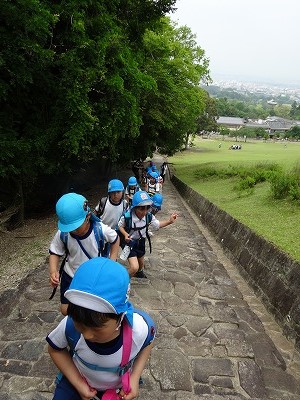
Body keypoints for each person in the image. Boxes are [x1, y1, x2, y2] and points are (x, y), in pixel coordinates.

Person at [46, 257, 156, 400]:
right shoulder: (69, 324)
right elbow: (54, 348)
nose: (87, 335)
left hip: (115, 390)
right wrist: (79, 384)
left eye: (97, 329)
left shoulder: (138, 329)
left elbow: (149, 341)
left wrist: (134, 377)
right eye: (80, 325)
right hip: (77, 380)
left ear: (121, 317)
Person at [49, 193, 120, 315]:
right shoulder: (63, 233)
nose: (72, 230)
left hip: (93, 277)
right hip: (71, 275)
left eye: (76, 227)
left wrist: (112, 261)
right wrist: (53, 271)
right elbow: (55, 251)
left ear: (87, 217)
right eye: (69, 227)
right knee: (65, 311)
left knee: (91, 310)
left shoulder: (100, 230)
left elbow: (115, 239)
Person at [118, 191, 178, 278]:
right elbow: (120, 226)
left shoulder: (148, 216)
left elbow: (157, 225)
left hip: (141, 242)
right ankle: (121, 280)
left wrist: (169, 221)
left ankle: (140, 273)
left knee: (141, 263)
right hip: (130, 243)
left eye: (147, 208)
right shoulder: (127, 217)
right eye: (142, 208)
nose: (144, 211)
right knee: (134, 267)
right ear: (135, 208)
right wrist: (125, 234)